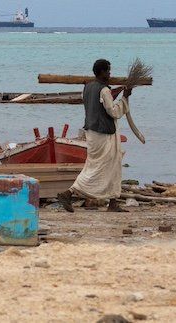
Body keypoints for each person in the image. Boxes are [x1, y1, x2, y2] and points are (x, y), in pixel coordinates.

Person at [56, 59, 132, 212]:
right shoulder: (104, 90)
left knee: (110, 165)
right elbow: (114, 112)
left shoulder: (87, 87)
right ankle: (69, 193)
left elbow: (97, 105)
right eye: (108, 71)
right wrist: (125, 98)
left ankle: (113, 202)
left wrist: (114, 95)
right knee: (97, 167)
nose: (110, 74)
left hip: (92, 132)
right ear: (102, 72)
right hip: (104, 134)